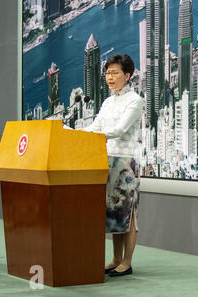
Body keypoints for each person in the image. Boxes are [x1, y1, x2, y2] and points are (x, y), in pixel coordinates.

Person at [82, 54, 144, 277]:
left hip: (127, 162)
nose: (110, 76)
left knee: (129, 214)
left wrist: (91, 134)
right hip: (106, 161)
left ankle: (127, 262)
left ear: (127, 76)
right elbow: (95, 126)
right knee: (114, 214)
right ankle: (116, 258)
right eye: (108, 72)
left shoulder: (134, 100)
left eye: (115, 72)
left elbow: (119, 130)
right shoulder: (108, 102)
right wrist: (73, 133)